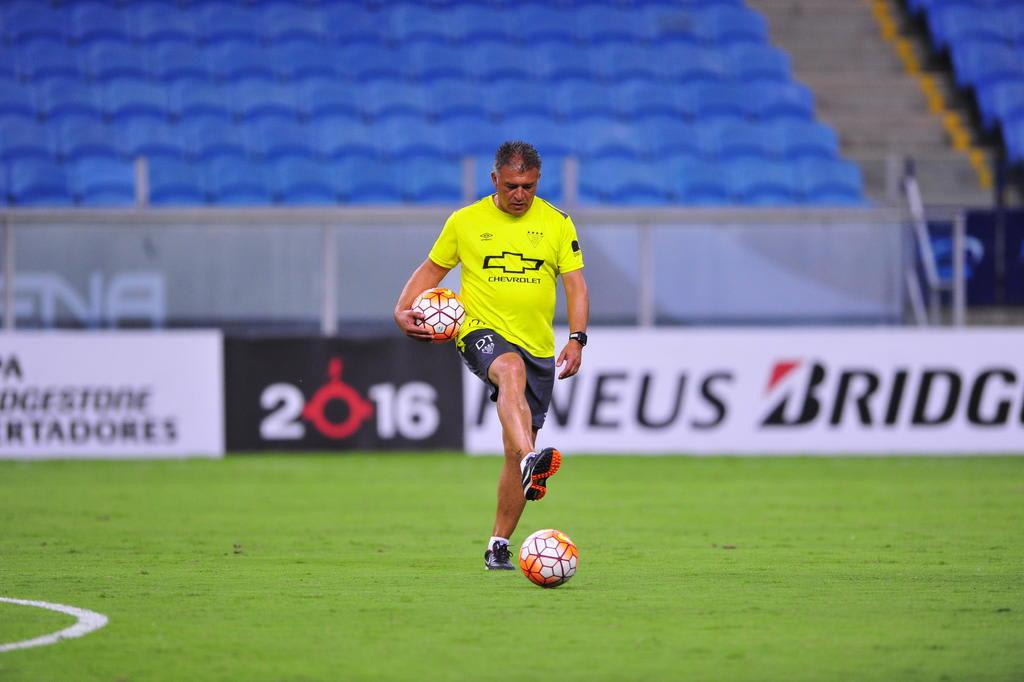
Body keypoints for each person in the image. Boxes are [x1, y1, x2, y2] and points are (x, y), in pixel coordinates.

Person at [394, 140, 590, 571]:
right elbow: (432, 270)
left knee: (514, 445)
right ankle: (528, 459)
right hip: (481, 330)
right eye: (512, 186)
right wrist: (401, 308)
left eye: (529, 186)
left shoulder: (557, 223)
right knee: (509, 369)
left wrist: (577, 339)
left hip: (539, 345)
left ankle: (498, 543)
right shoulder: (465, 221)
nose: (520, 195)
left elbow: (575, 285)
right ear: (494, 180)